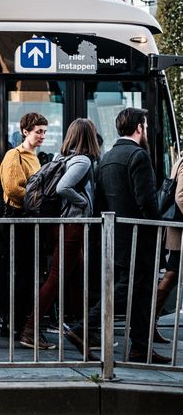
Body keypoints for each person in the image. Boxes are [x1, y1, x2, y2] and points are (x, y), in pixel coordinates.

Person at [65, 108, 171, 364]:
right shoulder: (139, 156)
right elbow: (146, 201)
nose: (145, 130)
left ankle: (140, 347)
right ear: (139, 128)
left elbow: (100, 200)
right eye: (144, 126)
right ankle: (83, 328)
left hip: (116, 237)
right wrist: (158, 226)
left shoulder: (108, 157)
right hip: (140, 237)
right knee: (131, 288)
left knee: (141, 291)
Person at [19, 118, 100, 350]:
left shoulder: (61, 157)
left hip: (62, 225)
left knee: (76, 275)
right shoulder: (82, 160)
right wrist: (83, 201)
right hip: (72, 225)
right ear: (89, 136)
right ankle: (30, 330)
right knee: (57, 277)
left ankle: (82, 329)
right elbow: (62, 187)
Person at [0, 112, 48, 340]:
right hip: (18, 219)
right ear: (25, 132)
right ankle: (14, 323)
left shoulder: (35, 157)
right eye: (38, 132)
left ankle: (20, 321)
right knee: (21, 274)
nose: (42, 136)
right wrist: (41, 198)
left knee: (29, 273)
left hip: (30, 219)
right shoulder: (14, 155)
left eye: (45, 132)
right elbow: (13, 189)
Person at [156, 155, 182, 344]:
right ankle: (149, 322)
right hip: (180, 230)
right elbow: (180, 196)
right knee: (172, 273)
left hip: (178, 229)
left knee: (172, 273)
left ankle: (149, 323)